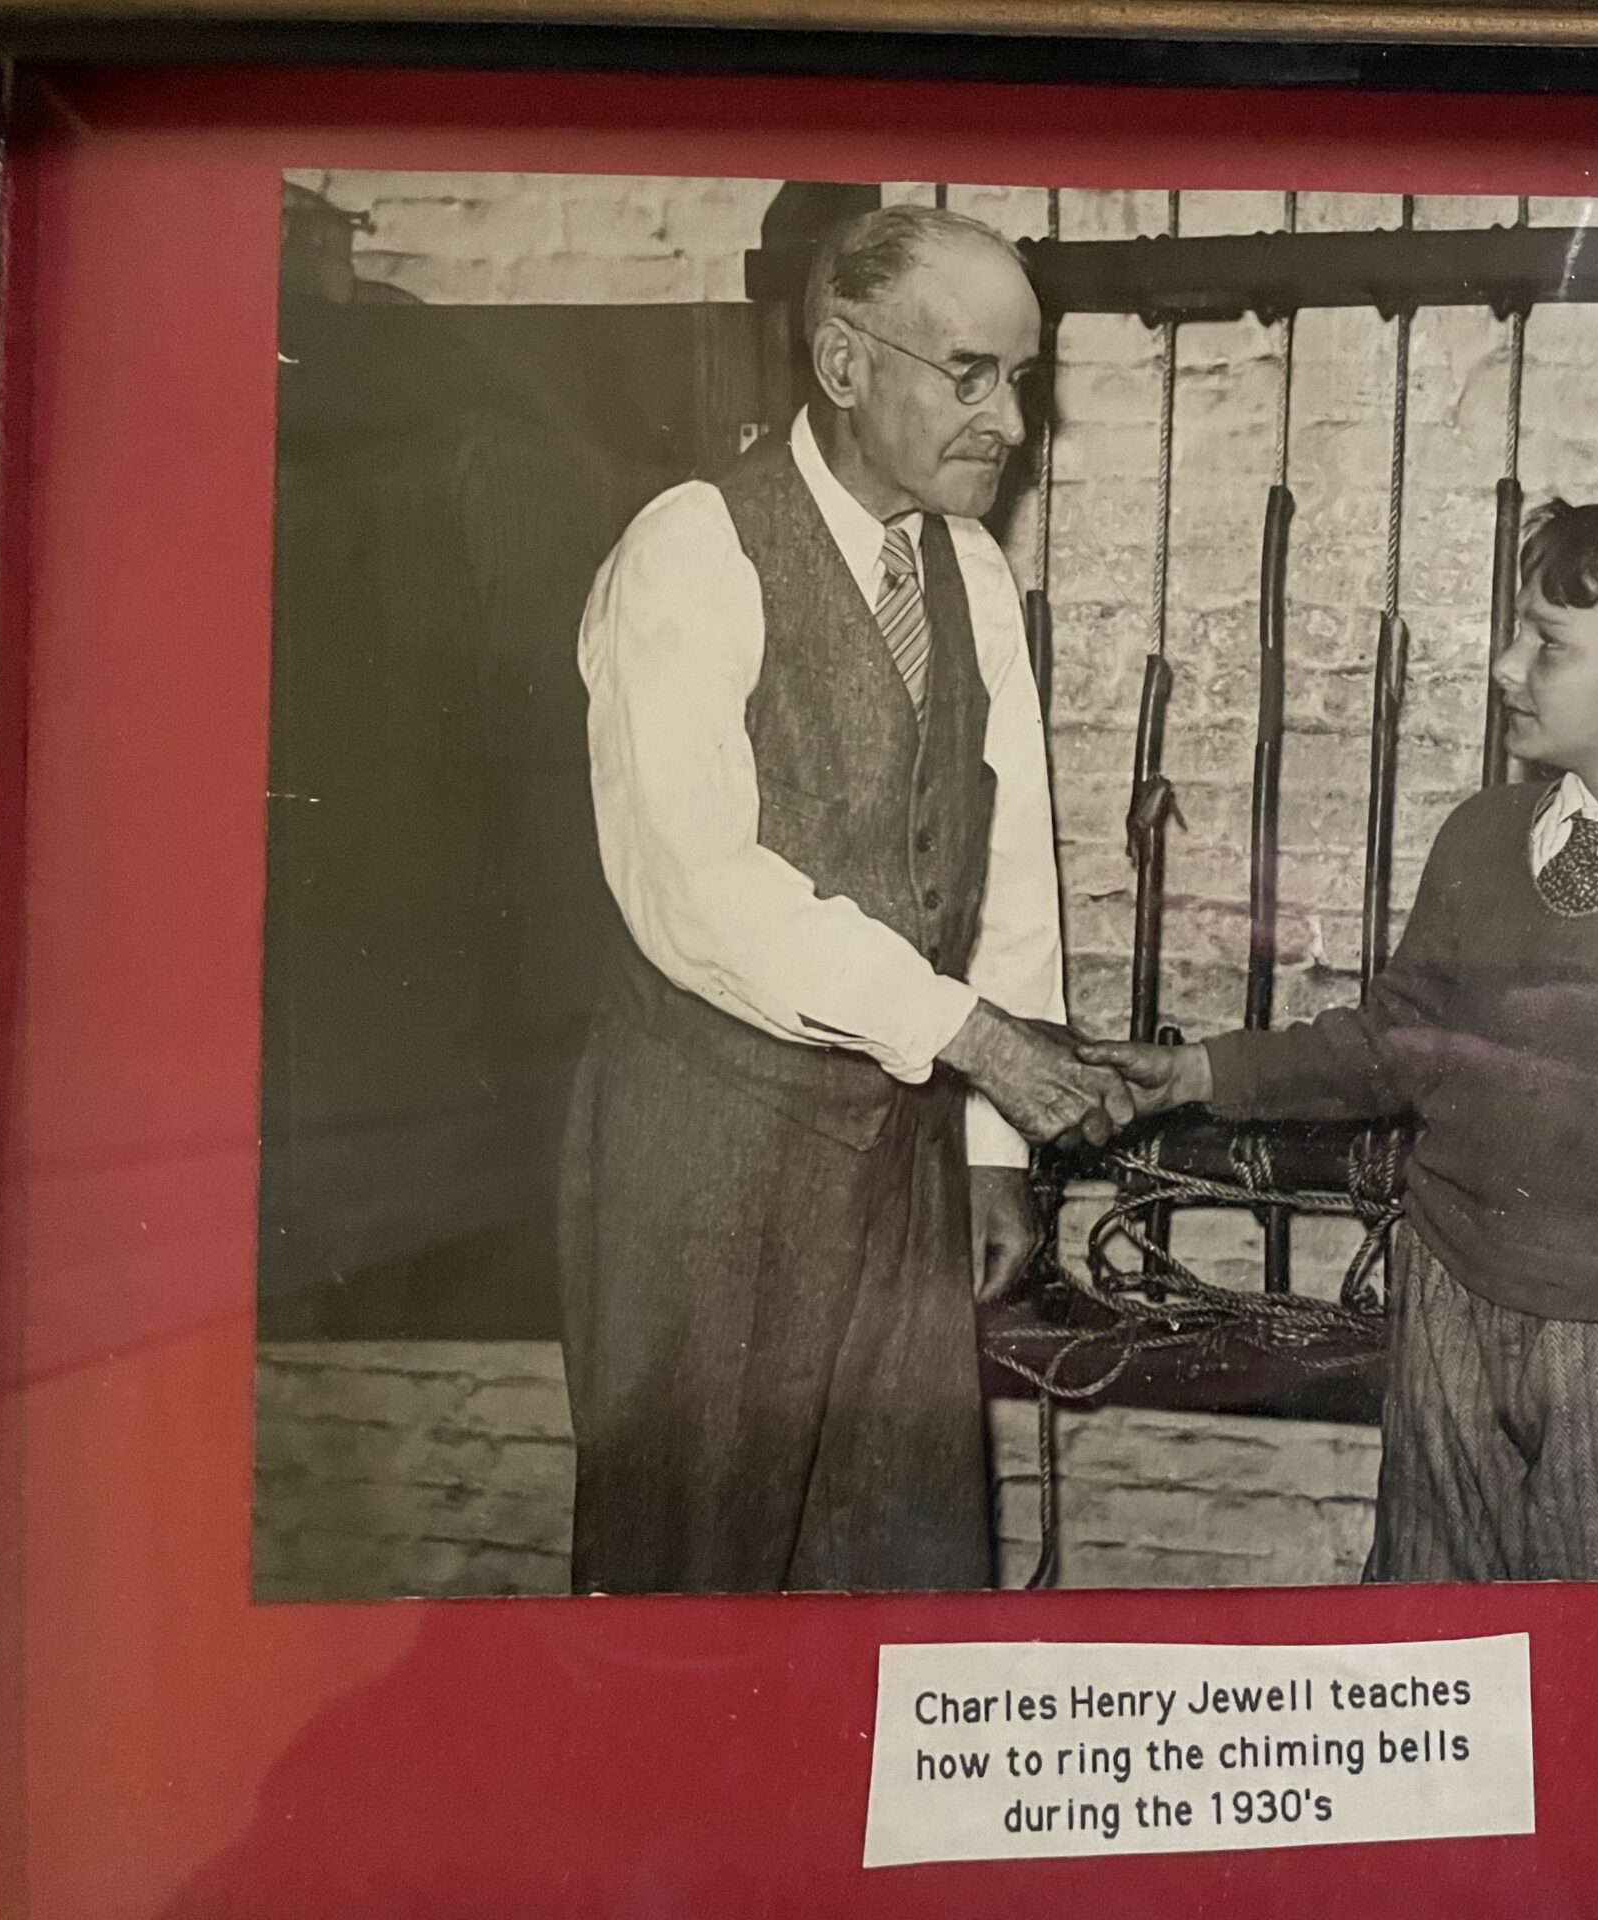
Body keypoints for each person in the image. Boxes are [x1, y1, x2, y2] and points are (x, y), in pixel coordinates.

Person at [1085, 498, 1598, 1584]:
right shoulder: (1479, 839)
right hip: (1445, 1302)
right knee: (1432, 1638)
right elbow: (1397, 1042)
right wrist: (1197, 1071)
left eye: (1547, 643)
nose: (1502, 665)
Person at [560, 205, 1130, 1596]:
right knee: (693, 1574)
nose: (1008, 420)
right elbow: (696, 891)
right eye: (971, 373)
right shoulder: (690, 552)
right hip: (709, 1157)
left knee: (899, 1564)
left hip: (902, 1162)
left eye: (1025, 379)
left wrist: (993, 1149)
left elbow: (1001, 875)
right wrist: (980, 1042)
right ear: (843, 365)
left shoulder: (969, 568)